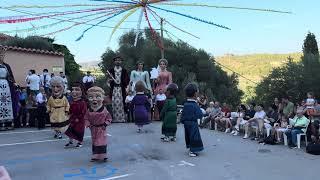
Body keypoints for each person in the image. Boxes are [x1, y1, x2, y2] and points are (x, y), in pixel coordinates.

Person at [85, 86, 112, 162]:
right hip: (93, 129)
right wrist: (88, 124)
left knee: (101, 142)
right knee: (94, 141)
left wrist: (105, 124)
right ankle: (95, 155)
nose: (94, 99)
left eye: (98, 97)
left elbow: (109, 118)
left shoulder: (104, 110)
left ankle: (103, 155)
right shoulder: (89, 110)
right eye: (91, 97)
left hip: (101, 128)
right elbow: (86, 118)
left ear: (102, 98)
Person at [180, 83, 204, 157]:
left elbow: (183, 114)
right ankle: (192, 151)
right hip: (193, 123)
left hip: (186, 123)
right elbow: (200, 114)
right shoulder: (195, 105)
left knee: (188, 135)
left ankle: (190, 147)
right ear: (195, 94)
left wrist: (182, 120)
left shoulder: (186, 104)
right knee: (194, 136)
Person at [0, 46, 18, 129]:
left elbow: (10, 77)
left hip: (6, 87)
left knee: (7, 103)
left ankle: (8, 123)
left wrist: (14, 83)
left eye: (2, 56)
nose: (1, 57)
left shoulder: (7, 66)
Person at [65, 82, 87, 148]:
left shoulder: (82, 102)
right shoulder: (72, 102)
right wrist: (68, 113)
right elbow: (70, 110)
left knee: (79, 131)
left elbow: (83, 112)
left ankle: (80, 142)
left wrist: (78, 118)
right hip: (72, 119)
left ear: (82, 91)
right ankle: (70, 141)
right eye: (73, 89)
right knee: (70, 130)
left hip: (80, 120)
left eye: (77, 89)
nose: (74, 91)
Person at [107, 56, 129, 123]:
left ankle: (122, 118)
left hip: (121, 89)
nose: (118, 61)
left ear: (121, 61)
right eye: (116, 60)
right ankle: (114, 119)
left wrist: (124, 84)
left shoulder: (124, 70)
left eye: (119, 60)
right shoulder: (110, 70)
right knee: (114, 102)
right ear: (114, 62)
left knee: (121, 102)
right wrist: (110, 81)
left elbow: (127, 79)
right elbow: (108, 80)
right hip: (114, 89)